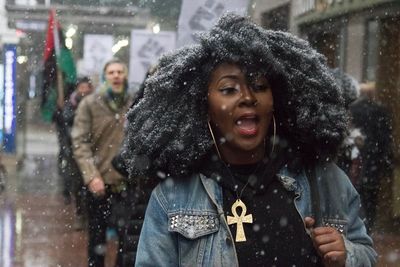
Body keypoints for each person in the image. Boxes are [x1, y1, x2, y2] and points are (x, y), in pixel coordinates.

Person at [123, 14, 377, 267]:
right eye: (228, 89)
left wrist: (347, 255)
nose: (247, 97)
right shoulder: (174, 196)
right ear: (204, 107)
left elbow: (366, 253)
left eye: (259, 86)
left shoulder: (325, 181)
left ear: (276, 99)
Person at [72, 59, 132, 267]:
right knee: (97, 239)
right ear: (105, 76)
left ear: (125, 76)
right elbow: (80, 142)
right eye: (111, 72)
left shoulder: (133, 102)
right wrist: (91, 175)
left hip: (126, 183)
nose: (116, 75)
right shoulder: (90, 103)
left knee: (127, 239)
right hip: (99, 182)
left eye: (120, 72)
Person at [349, 81, 393, 232]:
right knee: (371, 197)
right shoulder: (380, 111)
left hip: (355, 160)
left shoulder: (353, 110)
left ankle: (357, 226)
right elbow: (385, 139)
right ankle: (368, 227)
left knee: (355, 193)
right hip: (374, 160)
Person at [62, 76, 94, 230]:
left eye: (86, 87)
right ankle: (81, 214)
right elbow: (66, 121)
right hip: (74, 150)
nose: (84, 90)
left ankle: (89, 215)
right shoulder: (71, 104)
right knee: (77, 184)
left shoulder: (95, 103)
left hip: (92, 150)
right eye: (81, 87)